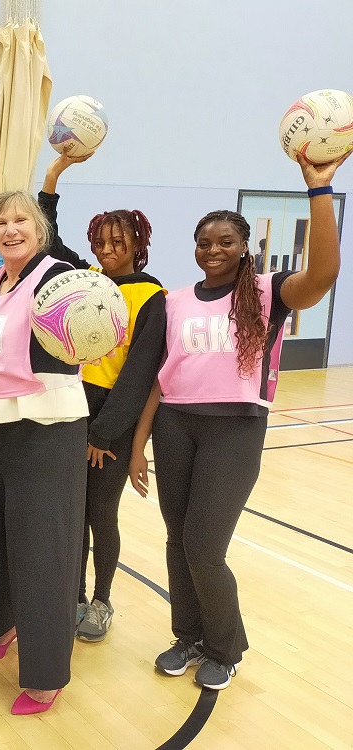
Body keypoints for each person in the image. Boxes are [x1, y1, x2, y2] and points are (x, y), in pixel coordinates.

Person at [129, 152, 348, 690]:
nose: (213, 251)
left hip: (235, 429)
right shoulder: (174, 302)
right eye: (205, 242)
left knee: (205, 545)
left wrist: (319, 190)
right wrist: (137, 447)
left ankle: (226, 647)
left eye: (225, 242)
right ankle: (190, 637)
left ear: (243, 246)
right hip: (174, 427)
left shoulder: (266, 293)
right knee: (177, 541)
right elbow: (159, 379)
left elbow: (323, 274)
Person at [0, 190, 96, 715]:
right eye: (1, 221)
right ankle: (3, 621)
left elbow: (92, 323)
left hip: (46, 424)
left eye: (21, 219)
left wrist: (56, 175)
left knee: (44, 550)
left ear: (41, 230)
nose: (9, 228)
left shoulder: (57, 276)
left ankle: (47, 672)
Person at [39, 151, 167, 642]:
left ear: (138, 245)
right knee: (69, 511)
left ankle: (101, 599)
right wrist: (53, 178)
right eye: (101, 241)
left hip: (111, 416)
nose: (109, 249)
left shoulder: (151, 296)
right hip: (70, 406)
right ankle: (71, 593)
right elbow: (48, 238)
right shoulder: (85, 281)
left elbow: (137, 376)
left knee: (99, 514)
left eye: (120, 241)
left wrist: (104, 434)